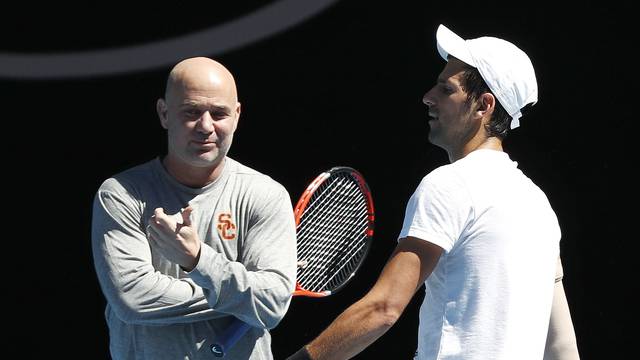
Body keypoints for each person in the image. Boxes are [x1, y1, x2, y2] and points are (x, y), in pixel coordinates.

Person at [286, 24, 579, 360]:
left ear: (484, 106)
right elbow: (561, 346)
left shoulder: (449, 184)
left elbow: (383, 308)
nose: (428, 97)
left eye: (445, 89)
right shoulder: (538, 204)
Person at [91, 57, 297, 359]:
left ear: (237, 115)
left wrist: (198, 260)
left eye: (218, 113)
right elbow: (132, 299)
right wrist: (242, 295)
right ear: (164, 113)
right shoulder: (121, 194)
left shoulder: (266, 195)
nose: (205, 126)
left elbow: (273, 304)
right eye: (191, 112)